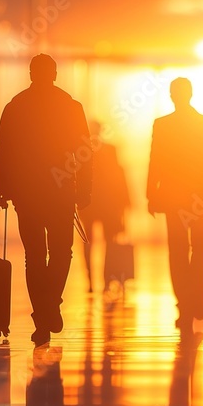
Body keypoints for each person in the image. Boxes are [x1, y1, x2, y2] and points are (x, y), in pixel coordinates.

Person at [0, 54, 93, 347]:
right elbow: (84, 152)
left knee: (34, 255)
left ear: (31, 74)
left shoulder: (16, 106)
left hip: (27, 192)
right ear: (55, 74)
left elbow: (2, 151)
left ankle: (43, 314)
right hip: (60, 192)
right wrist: (84, 189)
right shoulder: (70, 107)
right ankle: (50, 307)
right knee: (62, 252)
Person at [147, 77, 203, 340]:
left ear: (173, 95)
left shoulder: (162, 125)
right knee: (201, 246)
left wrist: (152, 194)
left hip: (174, 195)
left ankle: (186, 302)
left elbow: (156, 161)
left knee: (178, 249)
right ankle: (196, 294)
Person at [79, 121, 131, 293]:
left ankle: (98, 280)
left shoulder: (82, 153)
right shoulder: (108, 150)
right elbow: (118, 175)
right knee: (103, 243)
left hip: (96, 206)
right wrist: (125, 202)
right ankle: (101, 279)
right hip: (100, 205)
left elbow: (117, 175)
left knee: (94, 243)